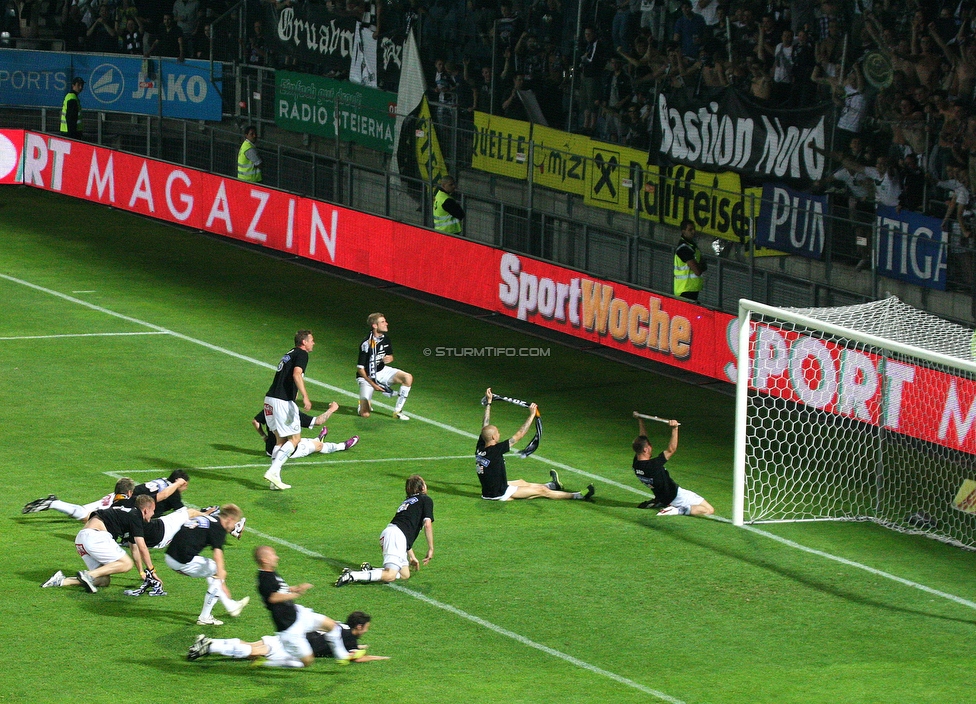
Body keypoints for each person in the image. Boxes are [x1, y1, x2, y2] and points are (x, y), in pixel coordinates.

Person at [476, 388, 594, 501]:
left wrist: (489, 403)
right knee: (542, 491)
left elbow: (485, 425)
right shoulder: (496, 450)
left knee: (522, 482)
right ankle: (579, 495)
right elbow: (519, 434)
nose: (499, 433)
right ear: (493, 437)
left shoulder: (480, 447)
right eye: (497, 432)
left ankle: (553, 485)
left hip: (490, 490)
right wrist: (532, 415)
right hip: (499, 494)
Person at [254, 545, 360, 667]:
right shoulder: (264, 578)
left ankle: (342, 656)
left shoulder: (271, 573)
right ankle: (266, 663)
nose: (277, 557)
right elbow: (273, 597)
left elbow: (279, 590)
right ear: (265, 560)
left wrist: (294, 588)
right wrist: (295, 594)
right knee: (306, 662)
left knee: (331, 625)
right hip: (289, 627)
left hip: (298, 614)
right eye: (273, 555)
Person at [41, 495, 158, 593]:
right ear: (146, 510)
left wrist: (142, 572)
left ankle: (62, 581)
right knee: (126, 564)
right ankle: (88, 575)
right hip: (94, 536)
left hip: (82, 539)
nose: (153, 514)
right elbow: (142, 547)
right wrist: (152, 571)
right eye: (153, 510)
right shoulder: (136, 517)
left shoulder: (128, 516)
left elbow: (135, 550)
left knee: (103, 580)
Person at [335, 474, 434, 586]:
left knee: (405, 574)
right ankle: (353, 575)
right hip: (396, 537)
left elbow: (405, 529)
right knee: (390, 575)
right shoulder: (425, 500)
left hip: (392, 534)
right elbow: (427, 524)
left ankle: (370, 571)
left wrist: (412, 556)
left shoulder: (409, 502)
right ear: (422, 488)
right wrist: (430, 548)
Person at [187, 611, 389, 665]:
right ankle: (208, 648)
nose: (367, 630)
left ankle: (209, 642)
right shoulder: (349, 640)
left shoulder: (339, 626)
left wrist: (360, 645)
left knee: (253, 646)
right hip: (297, 647)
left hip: (293, 635)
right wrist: (379, 658)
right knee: (257, 652)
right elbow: (355, 657)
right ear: (359, 627)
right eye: (366, 628)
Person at [164, 505, 250, 626]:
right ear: (230, 519)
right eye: (235, 523)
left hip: (170, 555)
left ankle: (231, 606)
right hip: (182, 561)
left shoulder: (209, 518)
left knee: (212, 570)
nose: (234, 527)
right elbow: (218, 556)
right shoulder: (219, 528)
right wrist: (222, 583)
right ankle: (205, 617)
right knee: (218, 572)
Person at [631, 413, 714, 516]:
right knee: (709, 510)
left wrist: (641, 420)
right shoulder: (653, 466)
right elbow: (671, 449)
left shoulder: (636, 465)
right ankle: (677, 510)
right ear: (645, 449)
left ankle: (659, 502)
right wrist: (675, 428)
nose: (651, 446)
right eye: (650, 445)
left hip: (663, 497)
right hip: (676, 496)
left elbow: (642, 440)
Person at [263, 330, 315, 490]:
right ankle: (273, 471)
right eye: (312, 340)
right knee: (295, 439)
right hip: (282, 401)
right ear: (304, 342)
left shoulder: (290, 354)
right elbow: (297, 374)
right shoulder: (302, 354)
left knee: (280, 440)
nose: (313, 343)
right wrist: (305, 397)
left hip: (269, 399)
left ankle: (274, 481)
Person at [23, 471, 189, 520]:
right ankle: (53, 503)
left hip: (119, 496)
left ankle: (54, 503)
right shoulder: (170, 488)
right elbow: (163, 496)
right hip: (122, 500)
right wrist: (177, 484)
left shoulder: (162, 481)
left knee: (86, 514)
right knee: (86, 516)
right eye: (185, 485)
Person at [356, 313, 413, 421]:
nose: (386, 323)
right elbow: (360, 368)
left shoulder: (385, 339)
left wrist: (390, 358)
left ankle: (398, 411)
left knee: (407, 377)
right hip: (366, 376)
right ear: (374, 325)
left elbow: (390, 355)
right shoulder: (366, 343)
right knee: (365, 414)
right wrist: (373, 384)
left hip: (382, 371)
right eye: (382, 322)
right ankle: (362, 404)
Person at [252, 402, 337, 457]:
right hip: (288, 451)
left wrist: (264, 437)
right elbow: (318, 421)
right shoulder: (292, 412)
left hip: (270, 449)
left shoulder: (270, 408)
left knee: (299, 440)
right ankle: (342, 446)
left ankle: (318, 439)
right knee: (319, 446)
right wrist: (332, 409)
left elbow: (255, 422)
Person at [673, 219, 706, 301]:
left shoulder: (692, 246)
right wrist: (700, 266)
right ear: (683, 232)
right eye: (690, 230)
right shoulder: (684, 248)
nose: (693, 232)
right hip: (685, 291)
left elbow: (703, 266)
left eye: (694, 229)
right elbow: (697, 271)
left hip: (691, 289)